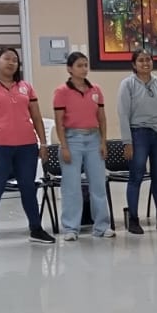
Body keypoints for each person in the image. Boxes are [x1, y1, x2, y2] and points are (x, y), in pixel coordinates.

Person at [0, 47, 53, 248]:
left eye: (15, 60)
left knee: (28, 188)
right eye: (7, 59)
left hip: (26, 147)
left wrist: (43, 143)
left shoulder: (26, 87)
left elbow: (36, 117)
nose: (11, 63)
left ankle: (36, 229)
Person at [51, 52, 112, 240]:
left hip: (93, 139)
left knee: (98, 185)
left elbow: (102, 118)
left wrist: (103, 141)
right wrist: (64, 146)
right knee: (71, 187)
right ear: (69, 69)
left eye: (86, 65)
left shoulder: (95, 90)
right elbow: (59, 122)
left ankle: (102, 226)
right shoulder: (61, 91)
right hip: (72, 139)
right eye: (79, 65)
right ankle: (71, 228)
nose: (84, 69)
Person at [117, 49, 157, 234]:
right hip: (138, 134)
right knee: (136, 177)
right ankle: (134, 220)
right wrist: (127, 142)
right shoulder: (127, 84)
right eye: (141, 60)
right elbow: (123, 114)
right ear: (134, 64)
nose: (145, 63)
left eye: (148, 59)